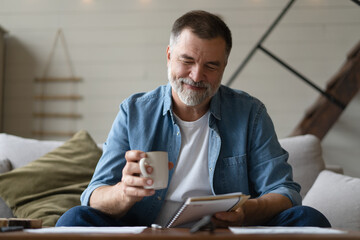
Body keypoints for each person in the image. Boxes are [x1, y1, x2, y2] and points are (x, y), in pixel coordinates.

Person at [56, 10, 330, 228]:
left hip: (225, 232)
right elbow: (93, 195)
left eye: (211, 65)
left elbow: (285, 191)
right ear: (168, 56)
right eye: (187, 61)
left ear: (224, 66)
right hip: (145, 228)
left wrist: (246, 212)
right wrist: (124, 193)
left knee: (310, 219)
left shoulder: (250, 113)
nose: (197, 76)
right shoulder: (135, 111)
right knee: (73, 219)